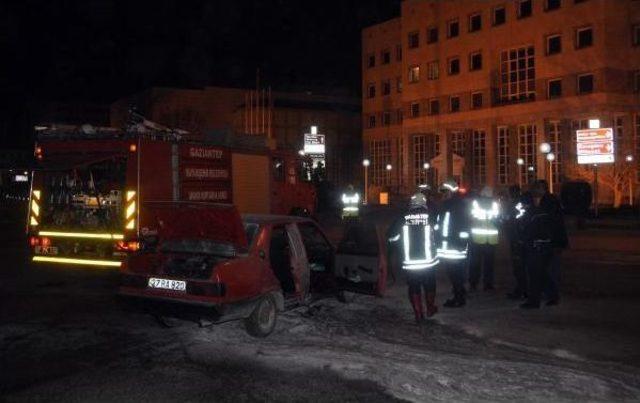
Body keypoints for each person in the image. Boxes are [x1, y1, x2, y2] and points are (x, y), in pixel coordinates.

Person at [388, 191, 439, 324]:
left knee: (414, 286)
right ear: (424, 203)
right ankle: (430, 308)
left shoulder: (403, 217)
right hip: (428, 261)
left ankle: (418, 314)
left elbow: (392, 237)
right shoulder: (431, 216)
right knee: (430, 285)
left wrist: (399, 245)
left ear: (411, 204)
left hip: (410, 262)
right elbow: (438, 233)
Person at [519, 180, 562, 309]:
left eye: (536, 191)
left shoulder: (542, 209)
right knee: (543, 272)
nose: (534, 195)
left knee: (536, 273)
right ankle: (551, 296)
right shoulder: (549, 205)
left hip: (540, 244)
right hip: (544, 244)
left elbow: (537, 227)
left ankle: (535, 300)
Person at [435, 179, 471, 308]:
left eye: (445, 192)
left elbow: (464, 227)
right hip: (449, 247)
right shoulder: (449, 204)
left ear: (451, 191)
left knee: (455, 273)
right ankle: (459, 294)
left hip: (454, 247)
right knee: (454, 273)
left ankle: (459, 297)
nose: (443, 195)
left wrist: (460, 243)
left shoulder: (456, 205)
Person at [468, 186, 500, 291]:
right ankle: (488, 284)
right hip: (491, 239)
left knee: (475, 263)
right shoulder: (495, 204)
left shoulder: (476, 203)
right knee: (489, 264)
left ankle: (473, 283)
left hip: (477, 238)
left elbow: (471, 218)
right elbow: (499, 219)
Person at [505, 185, 529, 300]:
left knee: (519, 267)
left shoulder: (516, 205)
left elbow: (513, 221)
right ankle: (523, 289)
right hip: (518, 238)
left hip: (517, 239)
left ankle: (522, 290)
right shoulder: (521, 204)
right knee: (520, 267)